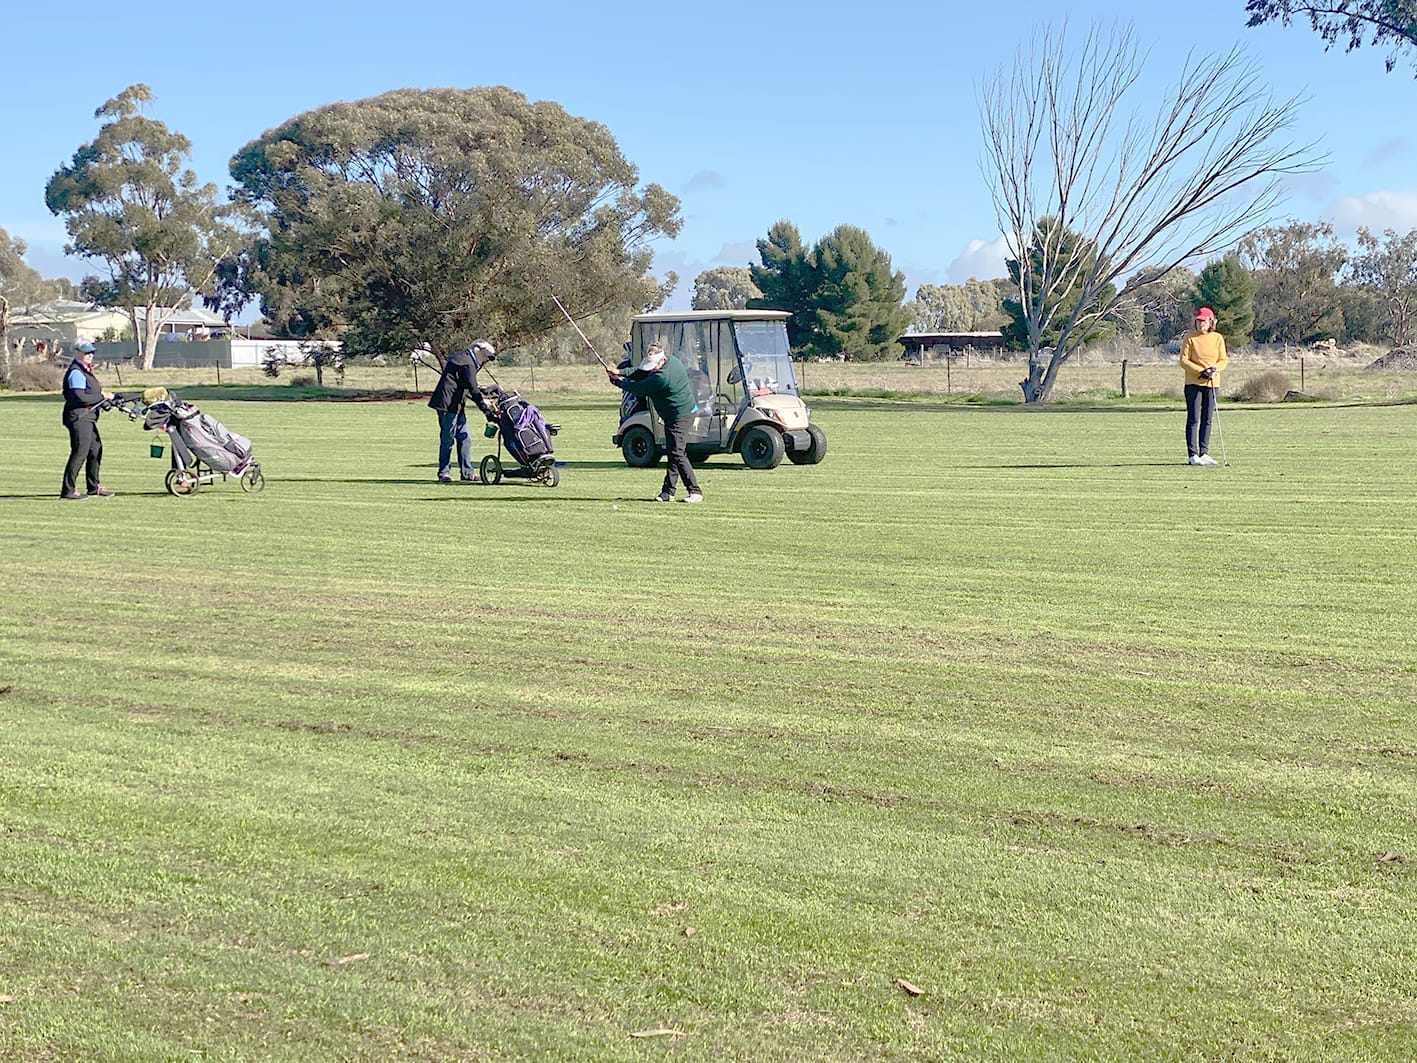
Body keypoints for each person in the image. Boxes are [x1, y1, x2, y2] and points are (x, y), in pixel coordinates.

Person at [607, 342, 702, 502]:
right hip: (675, 415)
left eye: (653, 365)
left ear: (661, 360)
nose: (651, 368)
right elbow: (641, 372)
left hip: (681, 416)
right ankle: (668, 492)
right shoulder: (672, 360)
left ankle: (695, 491)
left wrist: (617, 382)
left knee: (677, 453)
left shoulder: (661, 378)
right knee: (673, 452)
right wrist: (619, 372)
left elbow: (639, 388)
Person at [427, 340, 496, 483]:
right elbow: (472, 388)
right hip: (448, 406)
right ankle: (444, 474)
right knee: (448, 439)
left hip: (457, 405)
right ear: (478, 350)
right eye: (486, 356)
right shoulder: (467, 363)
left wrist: (483, 396)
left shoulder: (464, 359)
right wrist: (485, 410)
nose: (486, 360)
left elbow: (466, 385)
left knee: (465, 438)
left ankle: (467, 473)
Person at [60, 341, 115, 500]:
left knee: (95, 449)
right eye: (86, 352)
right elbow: (80, 397)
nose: (90, 355)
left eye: (91, 352)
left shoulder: (86, 371)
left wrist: (103, 399)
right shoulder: (76, 372)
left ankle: (93, 487)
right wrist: (103, 397)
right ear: (77, 352)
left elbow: (90, 394)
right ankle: (68, 490)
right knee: (80, 452)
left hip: (87, 417)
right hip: (79, 417)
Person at [1179, 306, 1228, 466]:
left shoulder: (1217, 338)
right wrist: (1201, 371)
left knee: (1207, 419)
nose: (1201, 324)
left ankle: (1204, 452)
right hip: (1193, 383)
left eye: (1204, 321)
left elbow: (1223, 360)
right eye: (1198, 321)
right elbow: (1184, 361)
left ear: (1210, 322)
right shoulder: (1190, 338)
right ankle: (1193, 454)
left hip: (1212, 383)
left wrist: (1214, 369)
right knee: (1194, 418)